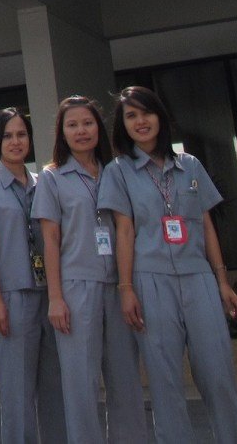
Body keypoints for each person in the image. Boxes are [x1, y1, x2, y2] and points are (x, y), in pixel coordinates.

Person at [100, 85, 237, 444]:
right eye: (131, 116)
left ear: (161, 117)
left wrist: (223, 282)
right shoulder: (119, 171)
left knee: (218, 375)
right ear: (123, 126)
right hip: (150, 281)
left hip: (198, 278)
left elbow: (206, 225)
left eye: (147, 113)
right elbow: (124, 232)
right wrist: (126, 288)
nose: (141, 122)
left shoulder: (191, 166)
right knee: (165, 380)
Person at [31, 96, 143, 443]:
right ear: (62, 133)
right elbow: (49, 239)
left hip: (119, 285)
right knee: (81, 384)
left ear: (100, 127)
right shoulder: (52, 178)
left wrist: (128, 287)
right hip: (76, 286)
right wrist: (55, 298)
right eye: (72, 125)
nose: (81, 131)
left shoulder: (117, 171)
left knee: (125, 380)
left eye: (88, 123)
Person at [0, 109, 65, 444]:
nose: (15, 142)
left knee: (56, 389)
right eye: (7, 136)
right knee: (17, 391)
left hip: (49, 294)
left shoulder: (44, 183)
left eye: (21, 134)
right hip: (12, 296)